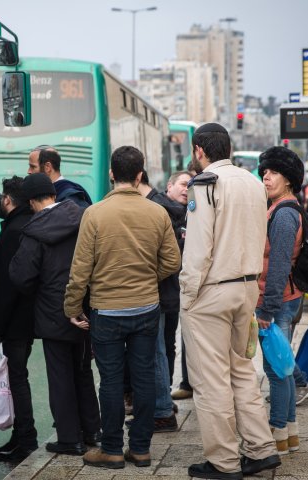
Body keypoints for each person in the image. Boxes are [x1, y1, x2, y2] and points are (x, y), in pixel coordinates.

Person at [64, 146, 180, 470]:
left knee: (112, 381)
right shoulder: (157, 213)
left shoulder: (95, 213)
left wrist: (73, 307)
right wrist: (146, 277)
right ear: (140, 175)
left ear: (112, 174)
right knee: (144, 378)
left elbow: (80, 269)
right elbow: (173, 261)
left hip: (107, 311)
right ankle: (141, 449)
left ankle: (112, 449)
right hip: (145, 309)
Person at [178, 123, 280, 479]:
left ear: (199, 151)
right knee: (241, 371)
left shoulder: (204, 183)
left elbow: (198, 245)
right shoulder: (254, 183)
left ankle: (223, 461)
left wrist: (188, 293)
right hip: (246, 286)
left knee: (210, 380)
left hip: (212, 289)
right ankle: (261, 448)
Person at [9, 173, 101, 456]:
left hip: (52, 312)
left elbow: (21, 276)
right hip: (85, 309)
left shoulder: (35, 229)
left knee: (60, 376)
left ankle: (69, 438)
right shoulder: (85, 216)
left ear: (32, 202)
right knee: (83, 372)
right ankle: (93, 431)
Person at [0, 176, 38, 461]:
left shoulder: (15, 230)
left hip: (14, 322)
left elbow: (8, 282)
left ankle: (27, 439)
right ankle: (20, 437)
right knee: (16, 379)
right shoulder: (24, 224)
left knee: (17, 380)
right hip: (22, 320)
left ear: (7, 200)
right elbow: (6, 263)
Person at [255, 146, 308, 455]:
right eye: (265, 172)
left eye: (273, 172)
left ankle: (278, 432)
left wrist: (267, 309)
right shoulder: (279, 208)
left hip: (277, 302)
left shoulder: (285, 214)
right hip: (284, 298)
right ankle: (290, 432)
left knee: (276, 370)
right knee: (283, 366)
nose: (267, 176)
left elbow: (278, 264)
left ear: (289, 180)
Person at [134, 170, 182, 432]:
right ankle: (160, 407)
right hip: (164, 291)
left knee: (156, 352)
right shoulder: (161, 205)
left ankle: (162, 411)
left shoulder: (155, 207)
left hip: (159, 293)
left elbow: (170, 260)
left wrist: (148, 278)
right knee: (158, 350)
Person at [165, 171, 194, 400]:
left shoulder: (192, 213)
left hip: (186, 288)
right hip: (166, 289)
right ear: (170, 186)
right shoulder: (160, 211)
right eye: (183, 184)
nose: (186, 189)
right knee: (165, 342)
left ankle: (188, 382)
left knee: (183, 338)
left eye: (189, 185)